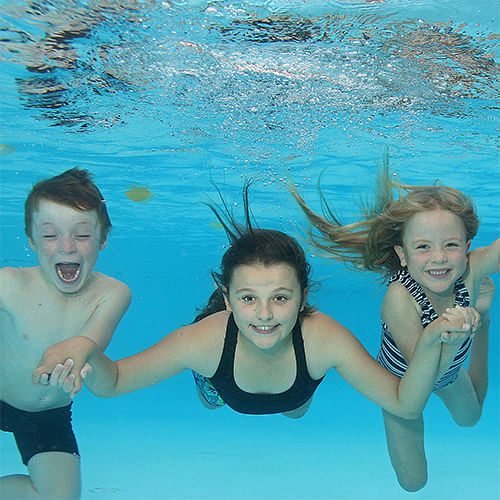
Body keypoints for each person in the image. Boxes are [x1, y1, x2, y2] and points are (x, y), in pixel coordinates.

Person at [35, 183, 477, 430]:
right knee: (212, 402)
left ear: (303, 299)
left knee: (296, 408)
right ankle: (214, 363)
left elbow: (405, 404)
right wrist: (85, 348)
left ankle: (288, 382)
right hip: (222, 377)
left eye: (281, 298)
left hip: (296, 379)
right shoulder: (205, 339)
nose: (265, 314)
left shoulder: (323, 337)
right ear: (227, 301)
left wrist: (435, 337)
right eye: (248, 299)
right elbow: (112, 384)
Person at [290, 158, 499, 491]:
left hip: (448, 371)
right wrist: (454, 335)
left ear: (467, 247)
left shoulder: (471, 270)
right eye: (422, 247)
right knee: (413, 482)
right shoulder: (400, 298)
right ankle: (478, 321)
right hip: (402, 384)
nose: (439, 258)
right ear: (402, 255)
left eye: (451, 245)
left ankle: (484, 319)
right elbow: (423, 369)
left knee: (470, 419)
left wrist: (473, 325)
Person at [0, 168, 131, 500]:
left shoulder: (112, 293)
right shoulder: (8, 284)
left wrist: (77, 355)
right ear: (31, 239)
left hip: (47, 414)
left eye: (83, 235)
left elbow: (93, 339)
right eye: (50, 235)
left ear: (103, 238)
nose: (67, 246)